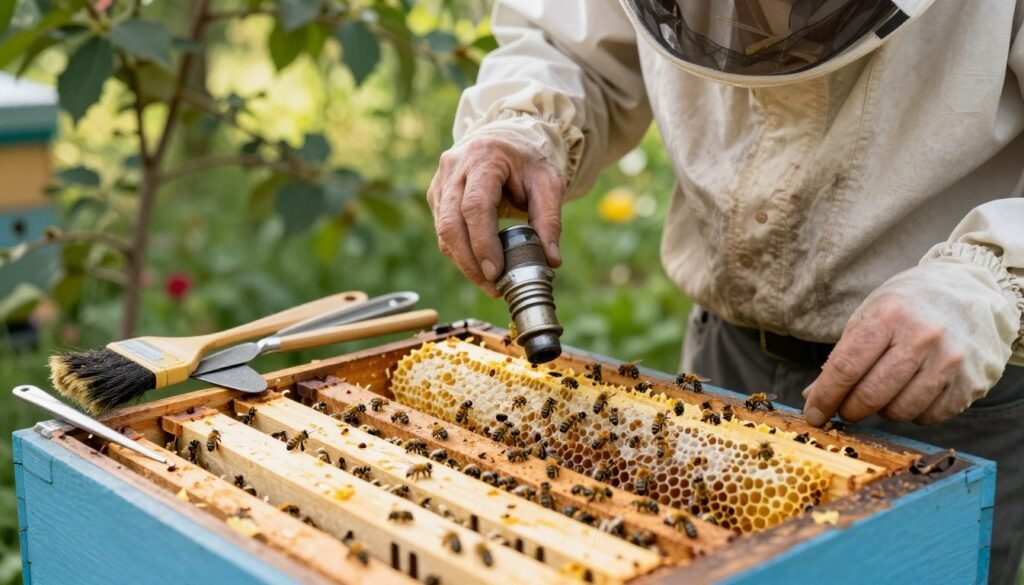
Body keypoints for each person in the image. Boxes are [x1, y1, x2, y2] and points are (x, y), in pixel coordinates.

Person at [428, 1, 1024, 581]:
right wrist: (519, 123)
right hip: (723, 361)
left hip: (947, 384)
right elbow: (568, 38)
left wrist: (984, 284)